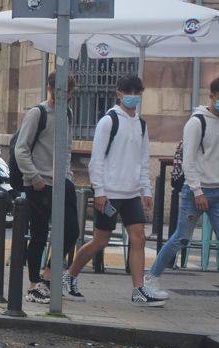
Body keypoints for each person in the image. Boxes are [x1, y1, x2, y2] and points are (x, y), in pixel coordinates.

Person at [63, 75, 163, 306]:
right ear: (118, 93)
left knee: (138, 237)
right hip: (109, 192)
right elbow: (96, 159)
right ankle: (69, 276)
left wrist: (146, 189)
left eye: (137, 92)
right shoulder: (108, 121)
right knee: (100, 240)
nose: (133, 96)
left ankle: (139, 290)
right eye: (129, 91)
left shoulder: (141, 124)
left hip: (131, 194)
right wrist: (99, 191)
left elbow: (143, 159)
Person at [146, 76, 219, 298]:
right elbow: (188, 161)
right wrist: (197, 190)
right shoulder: (196, 122)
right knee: (181, 239)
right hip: (196, 191)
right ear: (211, 96)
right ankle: (151, 277)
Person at [14, 72, 81, 304]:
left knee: (72, 230)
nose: (61, 95)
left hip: (63, 181)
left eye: (66, 92)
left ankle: (48, 275)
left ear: (71, 93)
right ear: (49, 87)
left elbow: (66, 148)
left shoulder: (67, 113)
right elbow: (21, 149)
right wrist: (34, 178)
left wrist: (68, 176)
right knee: (40, 234)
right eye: (57, 90)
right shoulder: (38, 113)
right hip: (39, 183)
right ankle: (33, 285)